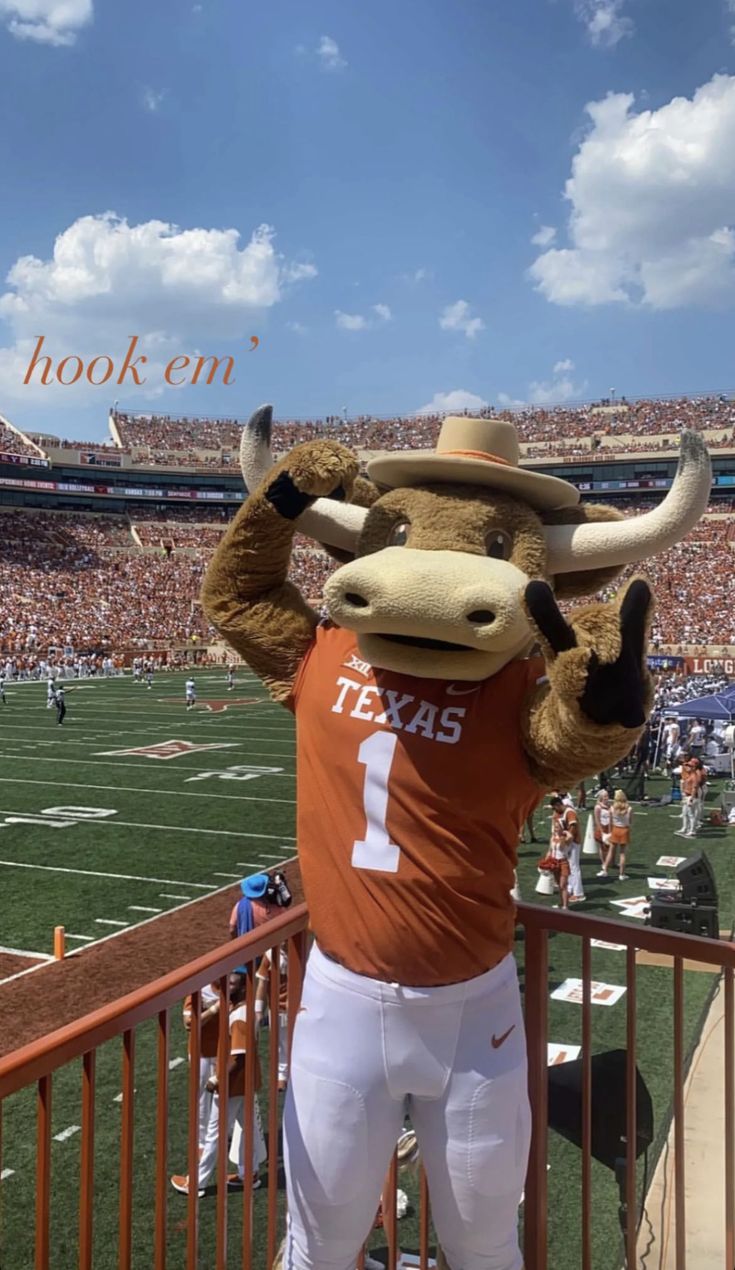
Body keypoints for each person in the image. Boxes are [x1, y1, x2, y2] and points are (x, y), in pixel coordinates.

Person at [171, 973, 267, 1196]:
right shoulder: (241, 1008)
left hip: (233, 1083)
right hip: (245, 1081)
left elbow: (238, 1057)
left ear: (243, 987)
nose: (227, 987)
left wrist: (217, 1079)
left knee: (215, 1131)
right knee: (247, 1126)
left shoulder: (240, 1014)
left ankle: (197, 1182)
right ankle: (249, 1175)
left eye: (233, 984)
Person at [182, 983, 221, 1151]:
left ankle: (223, 1133)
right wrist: (213, 1011)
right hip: (201, 1052)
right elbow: (188, 1023)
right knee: (202, 1096)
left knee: (226, 1093)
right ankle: (202, 1141)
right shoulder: (198, 990)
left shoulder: (234, 987)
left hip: (224, 1049)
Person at [255, 947, 289, 1091]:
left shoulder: (304, 950)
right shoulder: (270, 955)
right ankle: (282, 1075)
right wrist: (258, 1010)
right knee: (281, 1043)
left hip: (302, 1008)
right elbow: (262, 983)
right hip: (279, 1009)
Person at [548, 796, 574, 910]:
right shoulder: (553, 838)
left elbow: (570, 837)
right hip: (554, 862)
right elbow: (549, 850)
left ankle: (565, 906)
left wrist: (564, 832)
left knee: (563, 885)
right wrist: (546, 860)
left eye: (557, 827)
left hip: (563, 862)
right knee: (559, 885)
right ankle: (561, 903)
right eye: (555, 827)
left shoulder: (565, 839)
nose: (555, 828)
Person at [604, 790, 632, 880]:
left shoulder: (612, 808)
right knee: (622, 853)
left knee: (611, 851)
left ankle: (605, 870)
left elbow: (611, 821)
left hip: (615, 829)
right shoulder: (629, 808)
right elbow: (630, 821)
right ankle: (621, 874)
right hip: (624, 830)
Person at [594, 790, 612, 875]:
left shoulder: (609, 806)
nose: (607, 798)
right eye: (605, 796)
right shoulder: (598, 807)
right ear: (601, 797)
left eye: (607, 796)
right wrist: (602, 832)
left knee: (610, 847)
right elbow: (597, 820)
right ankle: (603, 863)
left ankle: (609, 863)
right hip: (602, 828)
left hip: (609, 828)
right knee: (602, 847)